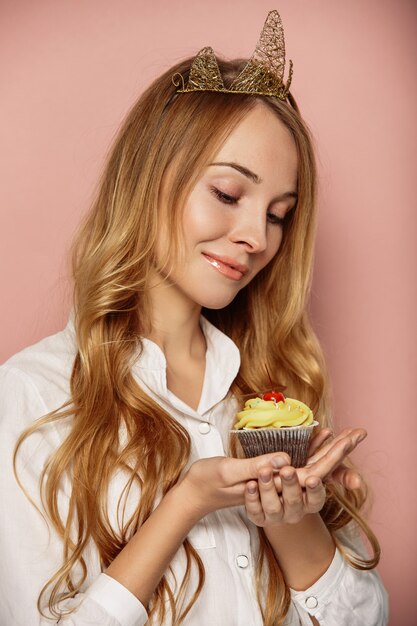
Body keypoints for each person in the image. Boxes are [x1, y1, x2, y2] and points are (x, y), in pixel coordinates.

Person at [0, 10, 388, 626]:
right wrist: (186, 503)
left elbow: (365, 618)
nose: (256, 237)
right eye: (229, 195)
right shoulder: (32, 396)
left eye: (279, 214)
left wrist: (292, 521)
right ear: (150, 179)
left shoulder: (274, 400)